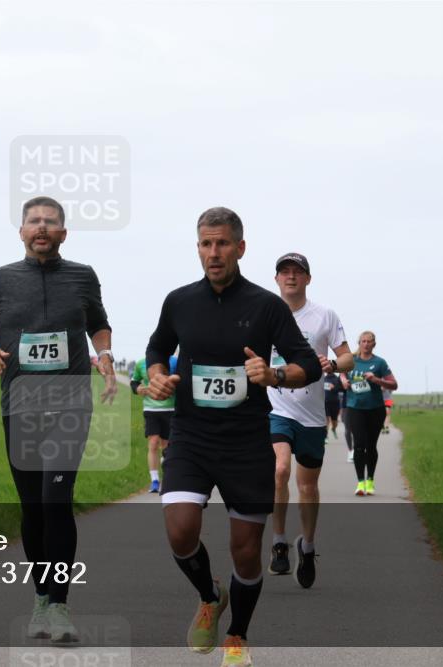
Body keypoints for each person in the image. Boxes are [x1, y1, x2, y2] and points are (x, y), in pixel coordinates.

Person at [145, 208, 320, 667]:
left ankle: (238, 635)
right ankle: (209, 595)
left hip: (245, 442)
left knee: (246, 553)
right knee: (180, 531)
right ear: (198, 247)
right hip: (192, 437)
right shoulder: (179, 301)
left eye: (222, 243)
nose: (213, 252)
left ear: (240, 248)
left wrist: (275, 373)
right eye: (205, 243)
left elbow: (310, 363)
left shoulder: (265, 306)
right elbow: (157, 348)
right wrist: (159, 375)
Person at [0, 195, 116, 645]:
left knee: (54, 501)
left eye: (51, 222)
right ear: (22, 231)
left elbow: (99, 324)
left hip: (70, 404)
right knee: (32, 507)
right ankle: (41, 598)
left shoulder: (82, 277)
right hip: (20, 406)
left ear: (63, 233)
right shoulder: (0, 280)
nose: (42, 228)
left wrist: (104, 352)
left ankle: (61, 605)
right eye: (34, 221)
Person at [264, 253, 353, 589]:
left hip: (312, 416)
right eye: (284, 272)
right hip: (277, 408)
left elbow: (347, 357)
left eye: (297, 272)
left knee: (307, 486)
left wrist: (332, 365)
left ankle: (308, 545)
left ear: (307, 279)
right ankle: (278, 542)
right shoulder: (265, 312)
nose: (290, 277)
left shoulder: (324, 316)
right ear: (276, 279)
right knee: (279, 469)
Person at [339, 332, 398, 496]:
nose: (365, 344)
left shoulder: (379, 363)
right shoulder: (351, 359)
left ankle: (370, 480)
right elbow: (342, 372)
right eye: (363, 341)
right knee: (358, 445)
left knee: (371, 446)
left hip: (375, 409)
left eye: (369, 342)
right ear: (359, 343)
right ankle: (360, 483)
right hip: (354, 408)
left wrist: (376, 380)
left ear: (374, 344)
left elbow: (394, 384)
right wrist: (343, 380)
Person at [130, 355, 178, 493]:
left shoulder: (174, 361)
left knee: (167, 446)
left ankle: (168, 476)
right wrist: (138, 389)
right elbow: (134, 382)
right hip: (151, 409)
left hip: (170, 409)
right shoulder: (141, 363)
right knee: (153, 442)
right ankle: (155, 481)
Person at [324, 372, 344, 439]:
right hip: (325, 402)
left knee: (334, 421)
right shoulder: (323, 379)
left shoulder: (337, 379)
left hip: (335, 402)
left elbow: (342, 389)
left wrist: (334, 387)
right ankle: (326, 436)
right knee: (327, 419)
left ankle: (333, 429)